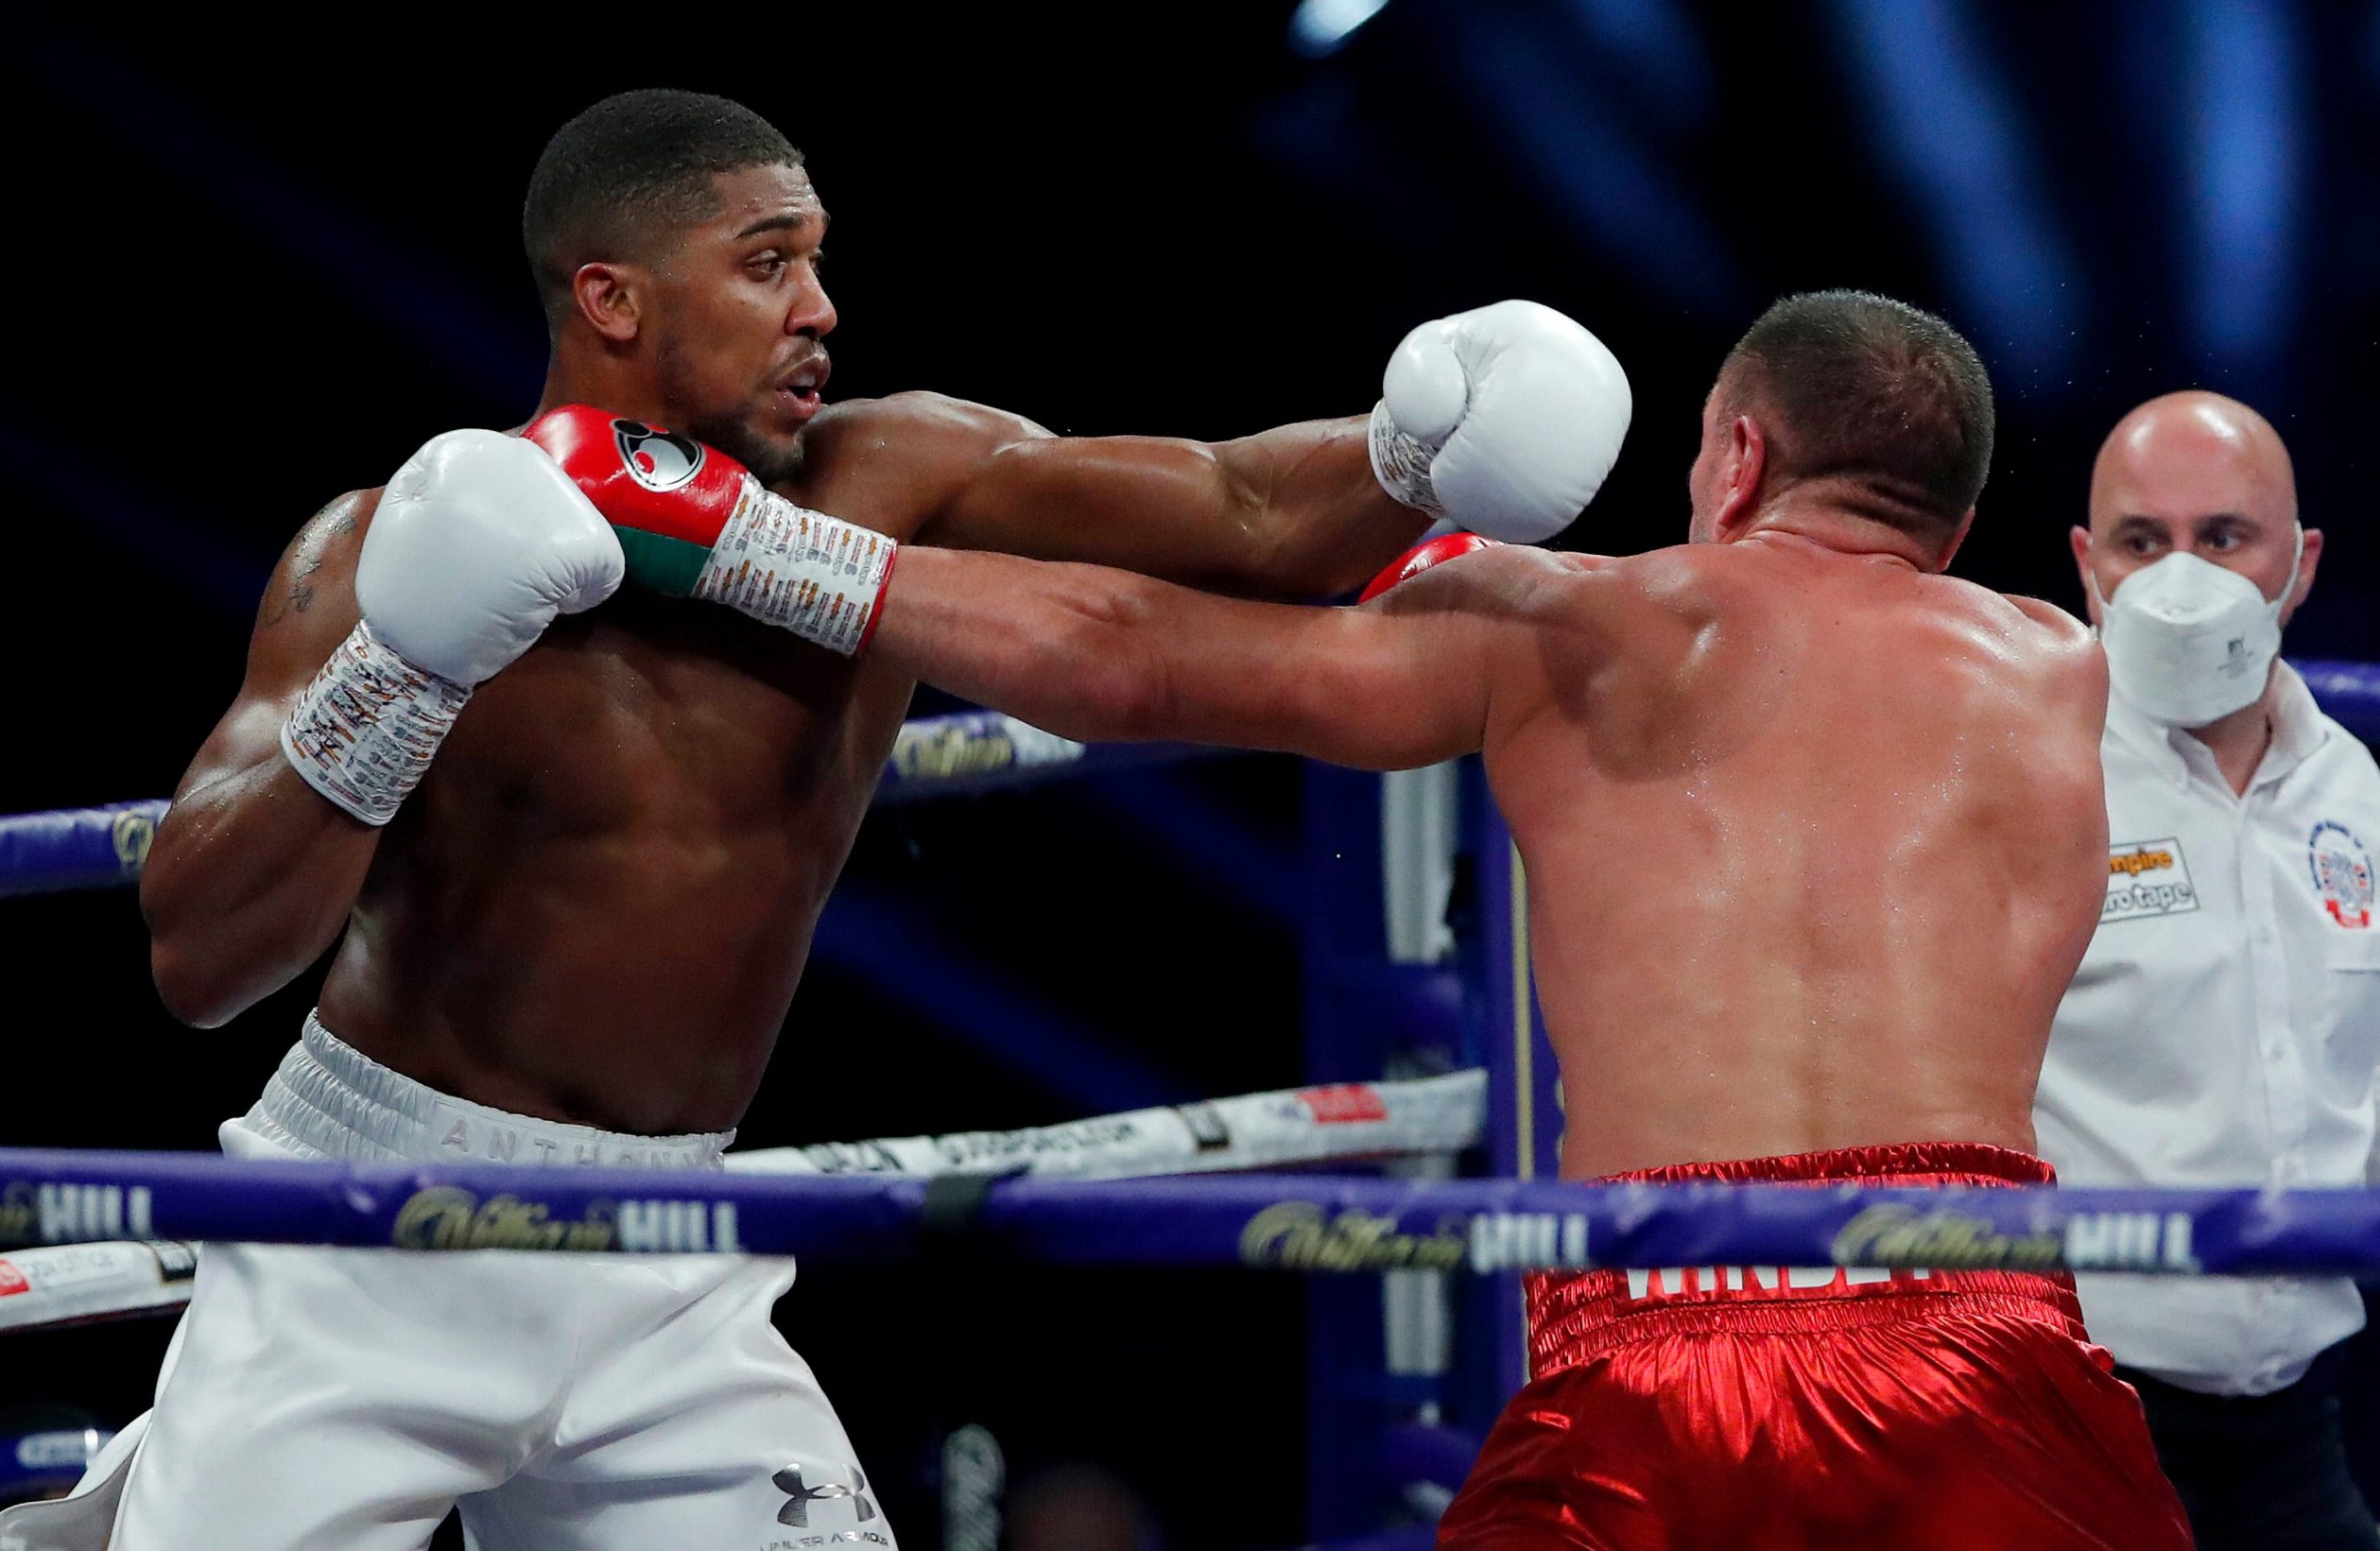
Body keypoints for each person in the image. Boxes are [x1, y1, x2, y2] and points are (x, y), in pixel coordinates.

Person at [0, 90, 1625, 1551]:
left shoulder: (883, 475)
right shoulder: (383, 549)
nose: (821, 308)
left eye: (820, 260)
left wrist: (1415, 449)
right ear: (611, 298)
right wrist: (403, 672)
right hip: (375, 1228)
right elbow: (198, 956)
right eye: (767, 263)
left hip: (670, 1252)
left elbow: (1242, 509)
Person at [650, 288, 2197, 1547]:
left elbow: (1130, 652)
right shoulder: (2085, 679)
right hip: (1989, 1331)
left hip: (1659, 1341)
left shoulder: (1571, 620)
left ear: (1737, 455)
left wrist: (748, 535)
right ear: (1964, 509)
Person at [2038, 390, 2380, 1549]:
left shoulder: (2360, 797)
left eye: (2223, 538)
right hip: (2066, 1423)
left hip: (2302, 1426)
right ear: (2087, 563)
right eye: (2143, 542)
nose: (2183, 581)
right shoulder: (2017, 779)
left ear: (2301, 561)